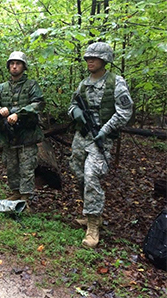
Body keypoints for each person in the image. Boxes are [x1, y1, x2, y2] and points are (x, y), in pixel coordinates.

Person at [68, 42, 133, 248]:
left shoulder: (116, 82)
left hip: (101, 138)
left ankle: (94, 225)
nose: (90, 61)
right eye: (88, 58)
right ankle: (89, 213)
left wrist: (105, 130)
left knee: (91, 175)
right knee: (78, 173)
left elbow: (125, 111)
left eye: (94, 58)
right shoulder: (83, 84)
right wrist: (75, 112)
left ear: (105, 60)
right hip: (82, 136)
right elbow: (72, 105)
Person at [0, 51, 45, 203]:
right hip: (8, 135)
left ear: (23, 66)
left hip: (27, 134)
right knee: (11, 166)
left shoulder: (31, 85)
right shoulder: (1, 88)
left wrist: (19, 113)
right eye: (12, 64)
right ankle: (15, 192)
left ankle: (25, 197)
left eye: (18, 64)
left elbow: (38, 103)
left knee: (26, 167)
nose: (14, 67)